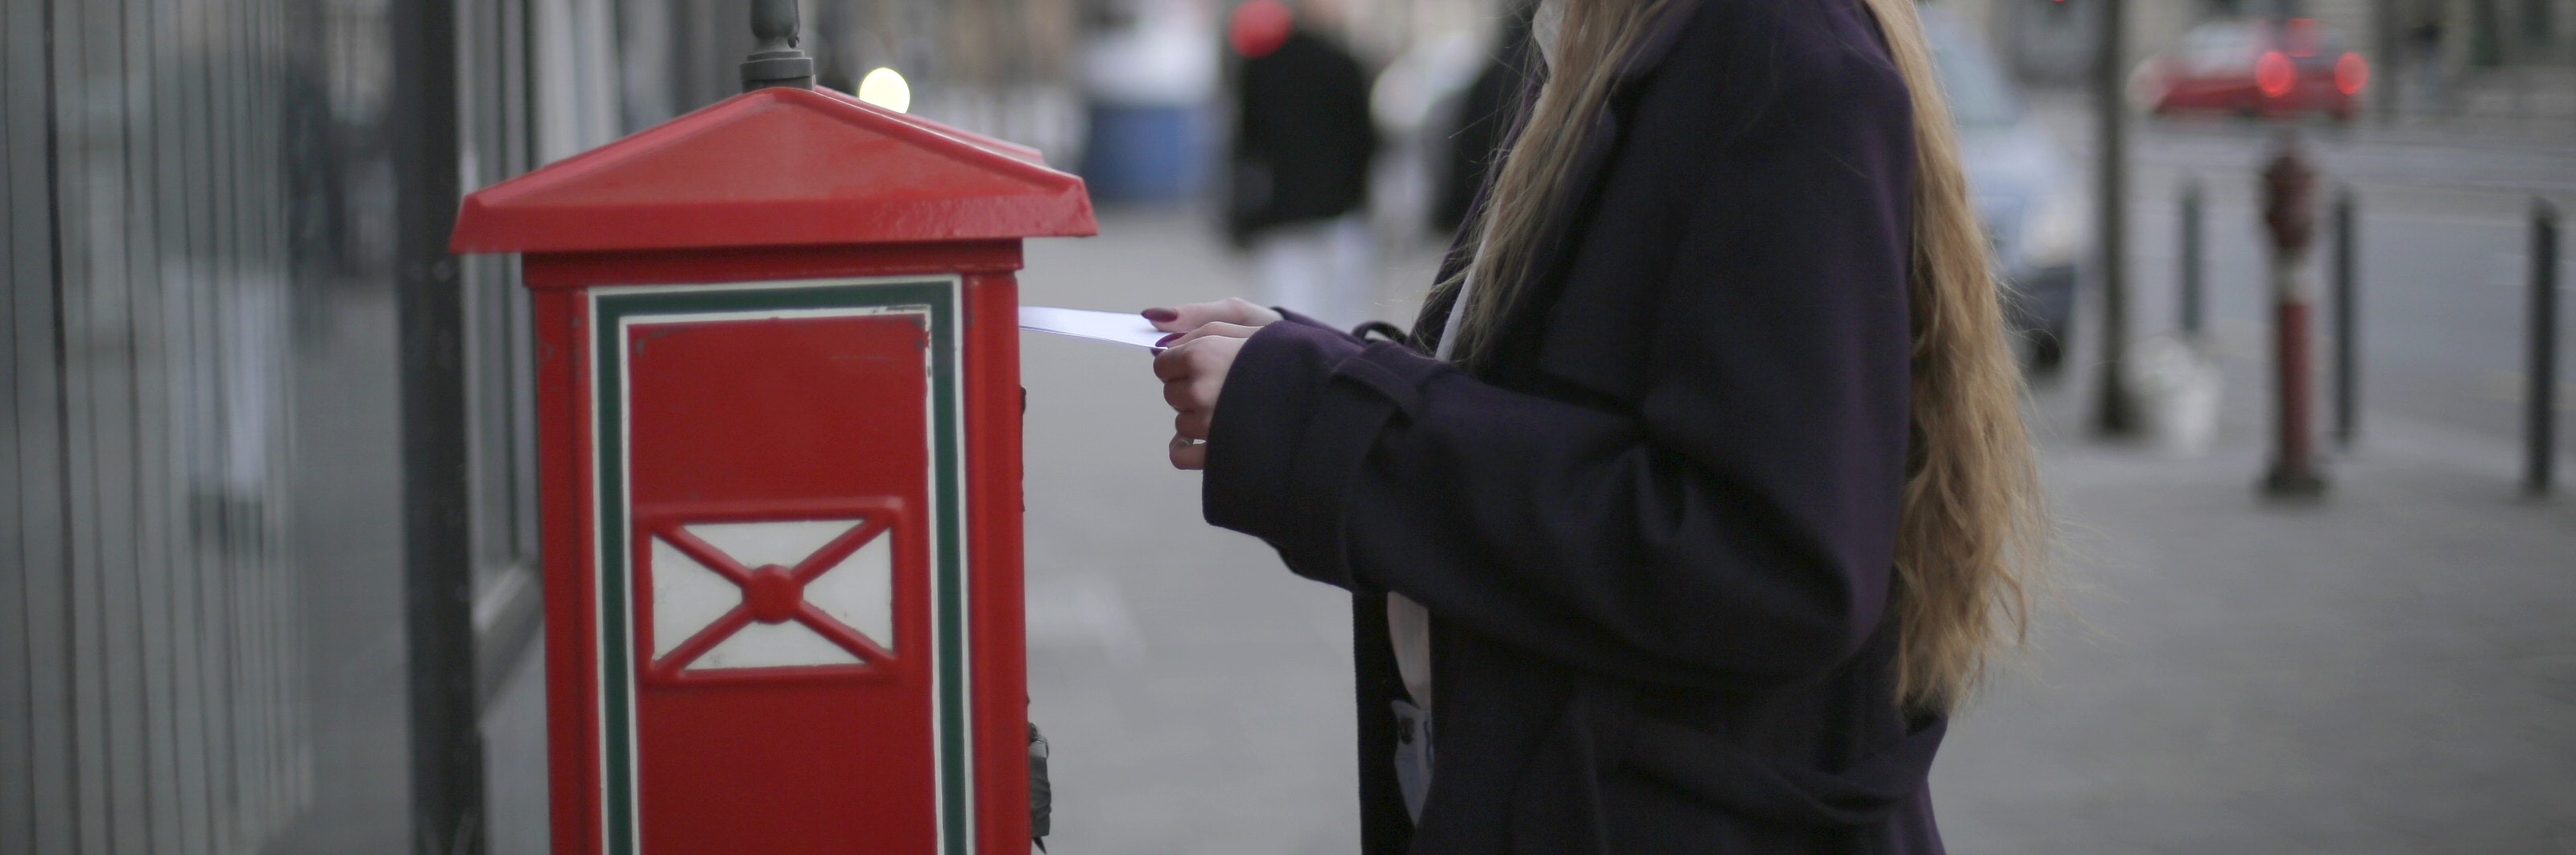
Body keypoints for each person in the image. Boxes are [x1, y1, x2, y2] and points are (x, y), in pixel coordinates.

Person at [1146, 0, 2046, 851]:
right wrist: (1318, 371)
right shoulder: (1615, 43)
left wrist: (1331, 419)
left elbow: (1773, 555)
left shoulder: (1773, 54)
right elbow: (1557, 409)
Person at [1225, 0, 1381, 329]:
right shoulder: (1345, 65)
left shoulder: (1262, 67)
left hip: (1282, 215)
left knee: (1285, 322)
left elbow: (1247, 146)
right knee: (1345, 327)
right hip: (1340, 213)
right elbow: (1367, 143)